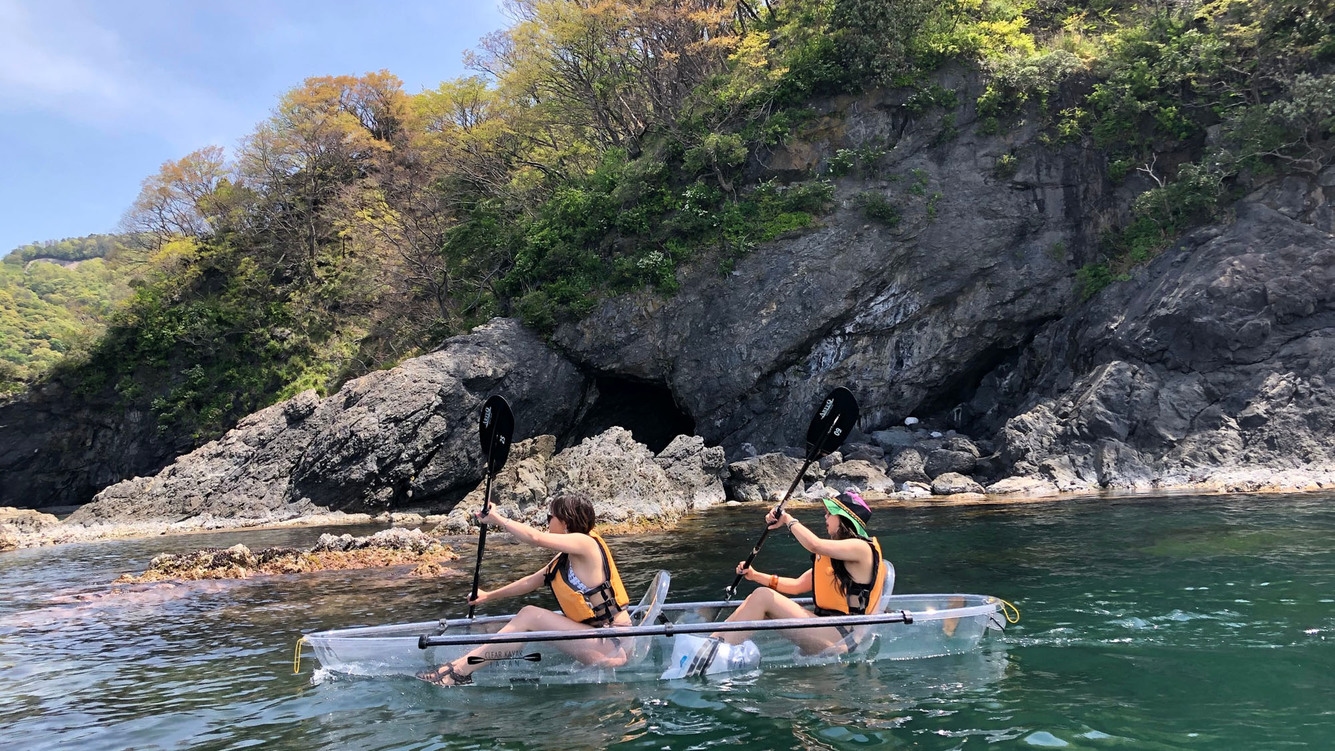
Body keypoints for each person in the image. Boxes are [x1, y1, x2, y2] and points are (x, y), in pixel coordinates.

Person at [417, 491, 632, 686]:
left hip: (613, 644)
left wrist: (498, 519)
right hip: (601, 641)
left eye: (550, 518)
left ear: (565, 523)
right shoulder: (565, 558)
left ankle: (458, 673)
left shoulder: (585, 544)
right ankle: (459, 666)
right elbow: (531, 581)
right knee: (526, 616)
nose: (547, 522)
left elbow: (535, 538)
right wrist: (487, 596)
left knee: (529, 615)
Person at [716, 489, 885, 656]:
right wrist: (755, 575)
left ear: (844, 519)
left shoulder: (861, 548)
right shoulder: (839, 556)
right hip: (827, 628)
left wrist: (787, 519)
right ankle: (712, 643)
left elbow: (814, 545)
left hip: (842, 636)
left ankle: (717, 654)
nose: (825, 517)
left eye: (829, 514)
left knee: (763, 597)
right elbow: (797, 586)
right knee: (753, 600)